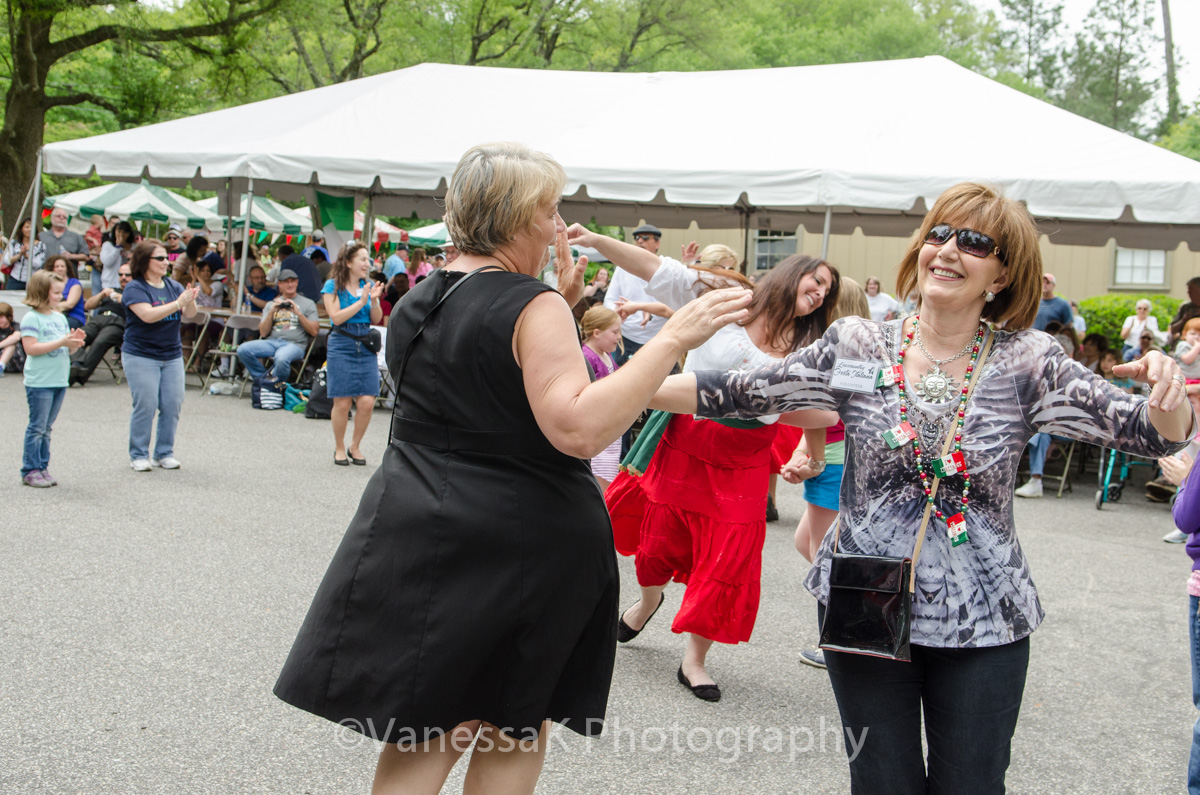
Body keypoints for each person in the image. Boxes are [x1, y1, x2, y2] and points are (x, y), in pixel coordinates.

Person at [649, 181, 1195, 793]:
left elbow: (1153, 432)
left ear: (1002, 272)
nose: (948, 249)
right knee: (881, 780)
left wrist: (1167, 389)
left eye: (974, 241)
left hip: (983, 612)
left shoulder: (1028, 361)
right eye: (938, 233)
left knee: (972, 782)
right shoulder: (858, 342)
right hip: (864, 593)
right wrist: (628, 386)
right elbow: (744, 391)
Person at [274, 142, 752, 795]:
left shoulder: (420, 297)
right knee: (510, 727)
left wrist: (559, 303)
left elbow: (476, 382)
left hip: (422, 525)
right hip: (521, 541)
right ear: (516, 218)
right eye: (550, 211)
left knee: (423, 730)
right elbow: (578, 426)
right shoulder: (534, 305)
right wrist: (671, 339)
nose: (558, 225)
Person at [570, 221, 839, 703]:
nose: (820, 293)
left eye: (827, 291)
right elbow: (657, 268)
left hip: (743, 459)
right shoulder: (733, 298)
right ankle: (648, 602)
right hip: (685, 439)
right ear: (790, 274)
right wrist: (595, 240)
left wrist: (811, 456)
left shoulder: (807, 350)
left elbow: (817, 408)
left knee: (726, 557)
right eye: (815, 281)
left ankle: (695, 660)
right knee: (656, 544)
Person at [782, 276, 871, 669]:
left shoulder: (839, 359)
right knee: (809, 545)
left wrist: (809, 461)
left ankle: (841, 638)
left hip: (835, 466)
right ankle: (851, 628)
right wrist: (805, 455)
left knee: (824, 556)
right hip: (838, 461)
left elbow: (824, 417)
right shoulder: (860, 358)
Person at [122, 239, 199, 472]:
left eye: (167, 257)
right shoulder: (135, 287)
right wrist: (178, 303)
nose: (167, 262)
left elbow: (190, 314)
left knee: (172, 402)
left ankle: (164, 452)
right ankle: (138, 454)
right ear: (146, 261)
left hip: (171, 354)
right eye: (161, 258)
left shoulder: (172, 285)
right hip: (141, 354)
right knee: (146, 403)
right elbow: (147, 315)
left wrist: (189, 300)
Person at [18, 270, 85, 487]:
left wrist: (74, 344)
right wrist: (61, 343)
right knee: (37, 427)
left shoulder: (59, 318)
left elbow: (67, 351)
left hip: (58, 379)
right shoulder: (31, 317)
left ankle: (42, 466)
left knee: (47, 428)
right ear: (42, 293)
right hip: (40, 381)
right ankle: (30, 469)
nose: (61, 296)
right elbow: (31, 348)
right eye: (56, 293)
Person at [321, 241, 383, 466]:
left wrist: (374, 300)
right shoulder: (332, 286)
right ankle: (339, 446)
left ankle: (355, 445)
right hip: (342, 342)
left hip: (365, 344)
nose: (368, 263)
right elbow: (336, 317)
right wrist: (362, 301)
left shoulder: (367, 285)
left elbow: (376, 319)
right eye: (363, 259)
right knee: (343, 401)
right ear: (348, 263)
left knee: (367, 400)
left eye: (368, 259)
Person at [603, 223, 670, 366]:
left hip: (656, 338)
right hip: (625, 338)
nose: (640, 241)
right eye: (637, 238)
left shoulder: (665, 268)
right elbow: (609, 300)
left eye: (645, 238)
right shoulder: (622, 268)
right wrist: (617, 312)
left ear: (657, 243)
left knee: (659, 386)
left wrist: (647, 309)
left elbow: (673, 306)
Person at [236, 269, 318, 383]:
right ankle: (263, 381)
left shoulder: (308, 303)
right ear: (279, 284)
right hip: (272, 342)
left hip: (295, 344)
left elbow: (314, 331)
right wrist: (271, 312)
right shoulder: (272, 304)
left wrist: (298, 313)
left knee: (281, 357)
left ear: (297, 282)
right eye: (286, 282)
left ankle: (277, 387)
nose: (290, 284)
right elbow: (263, 333)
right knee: (243, 350)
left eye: (292, 281)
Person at [580, 305, 624, 490]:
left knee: (608, 476)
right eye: (615, 332)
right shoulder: (587, 357)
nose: (619, 337)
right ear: (596, 333)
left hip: (609, 429)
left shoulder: (605, 354)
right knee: (599, 479)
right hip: (597, 428)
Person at [69, 264, 132, 386]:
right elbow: (88, 306)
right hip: (99, 318)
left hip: (118, 323)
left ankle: (77, 376)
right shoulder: (112, 290)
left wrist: (122, 298)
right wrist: (102, 294)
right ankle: (76, 364)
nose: (123, 277)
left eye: (127, 275)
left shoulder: (136, 293)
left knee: (100, 342)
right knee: (80, 335)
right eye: (121, 275)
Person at [39, 207, 89, 273]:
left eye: (64, 217)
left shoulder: (76, 237)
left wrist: (71, 256)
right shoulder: (41, 236)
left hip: (68, 276)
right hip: (45, 276)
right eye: (58, 216)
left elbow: (86, 256)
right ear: (52, 218)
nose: (61, 218)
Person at [44, 255, 86, 330]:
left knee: (51, 326)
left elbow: (70, 304)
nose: (59, 269)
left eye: (62, 266)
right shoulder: (49, 284)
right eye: (56, 266)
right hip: (54, 315)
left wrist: (49, 308)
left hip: (73, 317)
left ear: (66, 268)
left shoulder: (74, 283)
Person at [3, 218, 45, 291]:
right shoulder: (14, 243)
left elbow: (38, 264)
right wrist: (19, 255)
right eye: (27, 227)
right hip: (15, 279)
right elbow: (7, 261)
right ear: (21, 229)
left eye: (32, 227)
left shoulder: (41, 245)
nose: (29, 229)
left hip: (32, 280)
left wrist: (26, 256)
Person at [99, 221, 136, 291]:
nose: (121, 235)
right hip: (111, 284)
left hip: (129, 283)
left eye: (124, 232)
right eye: (119, 231)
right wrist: (117, 247)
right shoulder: (108, 245)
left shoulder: (134, 247)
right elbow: (107, 262)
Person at [1170, 277, 1200, 344]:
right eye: (1188, 290)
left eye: (1192, 290)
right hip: (1186, 345)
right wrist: (1184, 320)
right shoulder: (1185, 307)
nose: (1188, 293)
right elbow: (1172, 330)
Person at [0, 301, 24, 376]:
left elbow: (16, 337)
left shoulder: (16, 326)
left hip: (16, 361)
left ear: (8, 317)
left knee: (11, 343)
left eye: (1, 317)